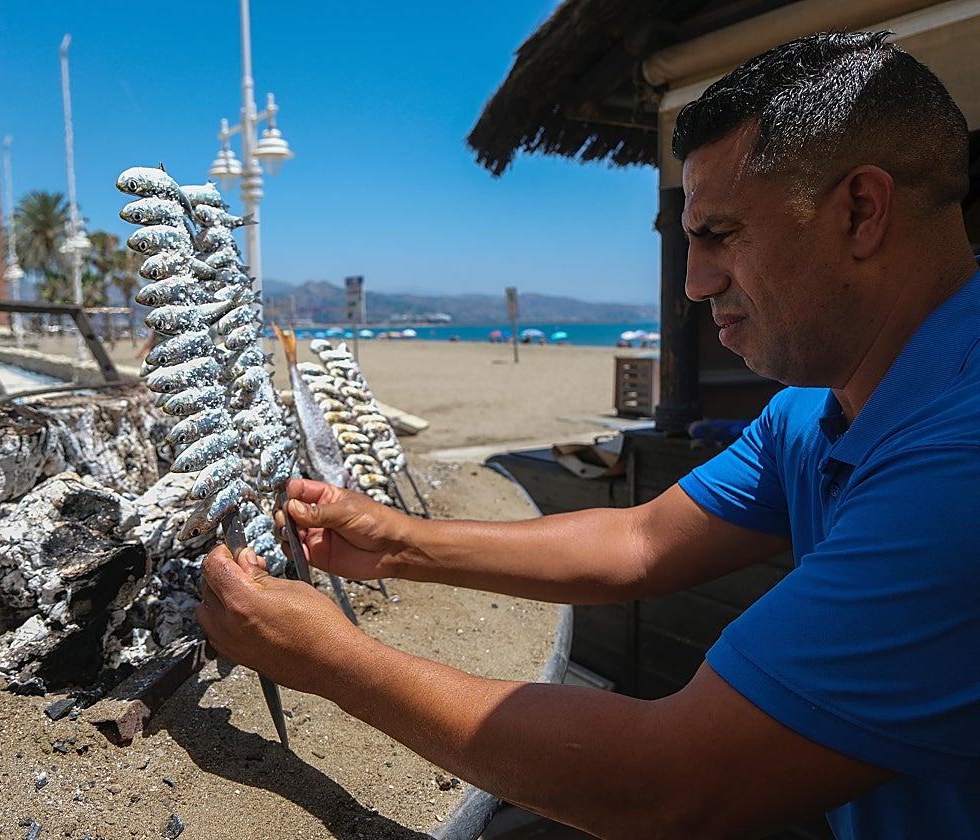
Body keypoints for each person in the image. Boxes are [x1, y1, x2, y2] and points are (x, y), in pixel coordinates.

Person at [197, 31, 979, 839]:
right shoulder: (815, 410)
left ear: (860, 210)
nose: (694, 282)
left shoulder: (959, 469)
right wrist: (399, 543)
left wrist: (327, 657)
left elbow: (670, 787)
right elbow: (640, 541)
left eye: (721, 233)